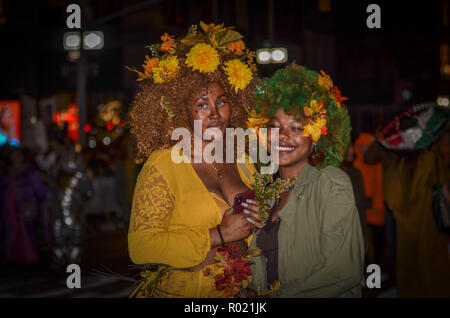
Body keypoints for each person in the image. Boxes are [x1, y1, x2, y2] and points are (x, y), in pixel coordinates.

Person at [127, 22, 262, 297]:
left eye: (221, 102)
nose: (215, 114)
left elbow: (251, 232)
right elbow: (141, 247)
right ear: (180, 111)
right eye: (202, 105)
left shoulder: (243, 159)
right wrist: (219, 235)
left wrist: (257, 220)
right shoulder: (164, 164)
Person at [247, 63, 365, 297]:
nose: (283, 136)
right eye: (274, 126)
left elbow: (344, 271)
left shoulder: (331, 182)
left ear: (317, 137)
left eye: (297, 128)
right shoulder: (266, 194)